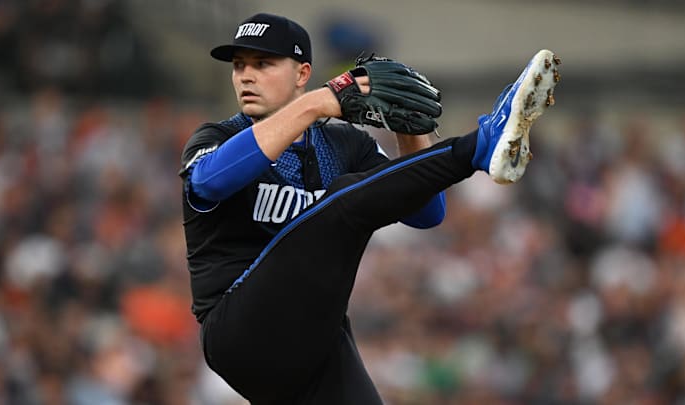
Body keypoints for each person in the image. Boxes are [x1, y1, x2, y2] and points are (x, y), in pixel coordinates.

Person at [179, 12, 560, 405]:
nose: (245, 75)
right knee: (338, 208)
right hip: (240, 331)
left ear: (301, 72)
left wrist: (410, 129)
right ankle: (480, 144)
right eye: (239, 65)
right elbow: (208, 181)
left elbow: (427, 214)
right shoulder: (217, 137)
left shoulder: (344, 144)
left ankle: (480, 144)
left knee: (343, 205)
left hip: (315, 344)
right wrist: (315, 104)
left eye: (263, 64)